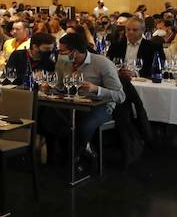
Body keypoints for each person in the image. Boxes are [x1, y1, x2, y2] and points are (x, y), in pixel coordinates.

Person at [40, 31, 123, 175]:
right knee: (47, 116)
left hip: (100, 105)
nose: (59, 54)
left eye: (62, 51)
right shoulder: (62, 62)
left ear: (74, 52)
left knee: (84, 125)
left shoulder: (102, 63)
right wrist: (48, 88)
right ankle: (72, 152)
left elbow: (120, 96)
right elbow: (59, 87)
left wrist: (96, 89)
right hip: (72, 103)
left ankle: (75, 158)